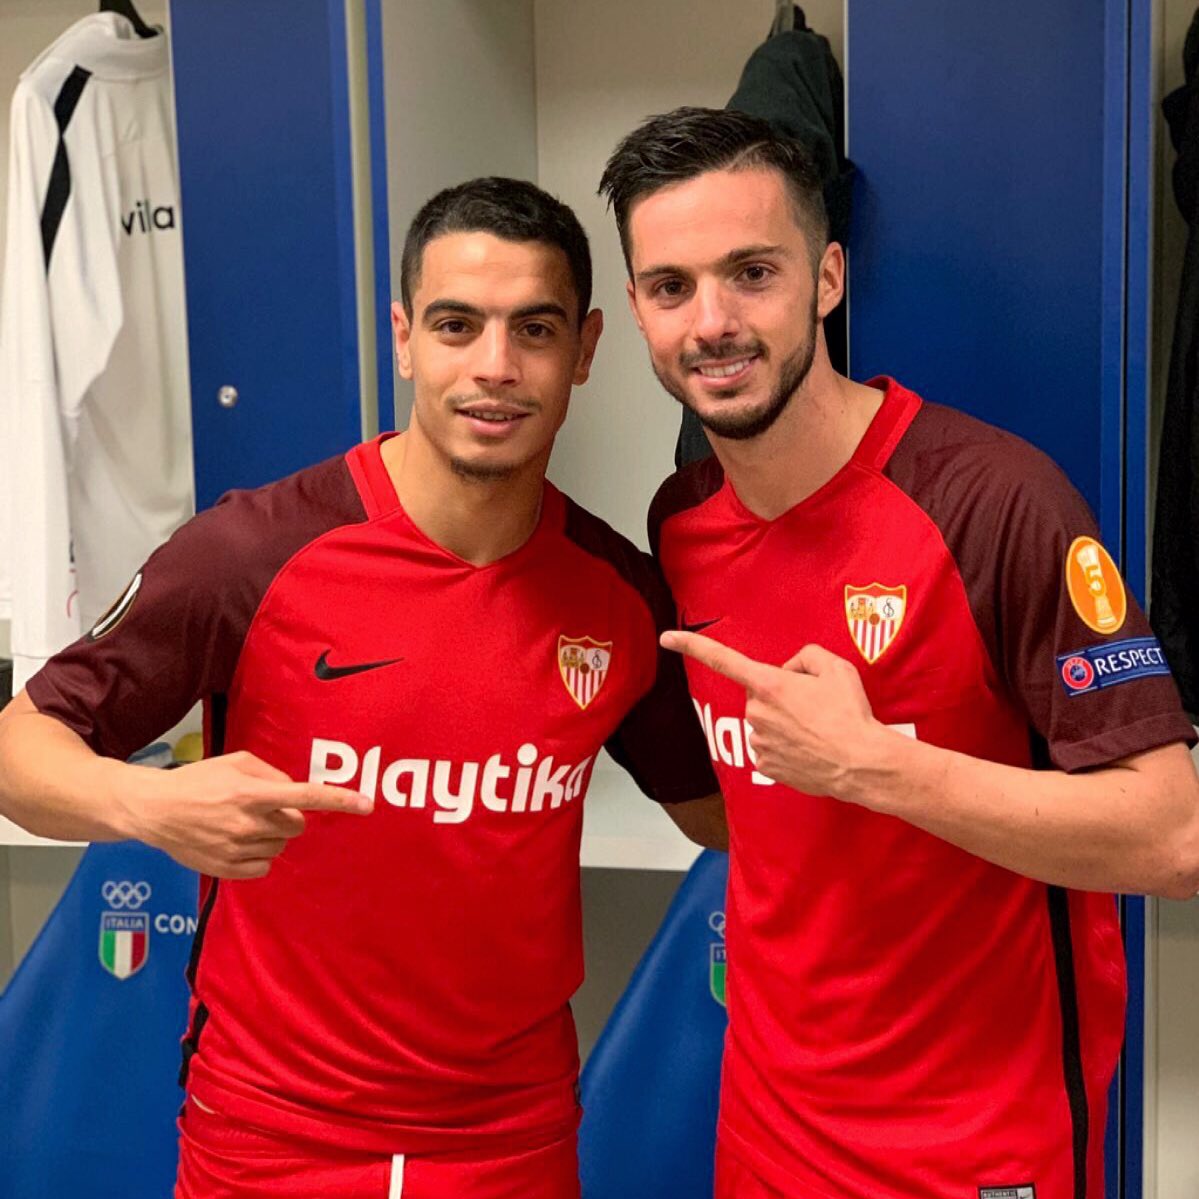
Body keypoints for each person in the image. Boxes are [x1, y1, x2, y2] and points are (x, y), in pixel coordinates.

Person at [0, 176, 723, 1199]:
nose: (494, 367)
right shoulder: (251, 552)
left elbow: (723, 815)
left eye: (534, 329)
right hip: (270, 1128)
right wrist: (149, 803)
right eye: (455, 325)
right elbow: (17, 748)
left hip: (509, 1136)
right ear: (402, 337)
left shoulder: (616, 593)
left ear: (587, 348)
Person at [599, 106, 1199, 1199]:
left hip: (971, 1147)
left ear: (825, 279)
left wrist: (876, 765)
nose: (713, 320)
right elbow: (757, 817)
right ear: (636, 307)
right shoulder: (677, 522)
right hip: (767, 1130)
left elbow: (1172, 835)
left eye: (752, 271)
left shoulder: (990, 500)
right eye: (671, 286)